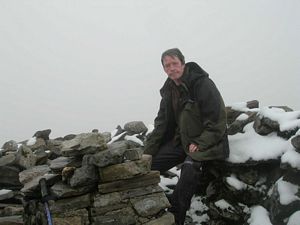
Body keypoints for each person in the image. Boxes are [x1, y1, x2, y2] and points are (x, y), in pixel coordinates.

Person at [144, 48, 229, 225]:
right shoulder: (168, 90)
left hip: (208, 141)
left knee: (189, 168)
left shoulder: (202, 83)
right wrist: (148, 152)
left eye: (175, 63)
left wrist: (201, 142)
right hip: (182, 141)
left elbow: (217, 120)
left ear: (183, 63)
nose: (171, 68)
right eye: (167, 65)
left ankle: (175, 216)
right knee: (148, 166)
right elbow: (161, 123)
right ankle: (143, 206)